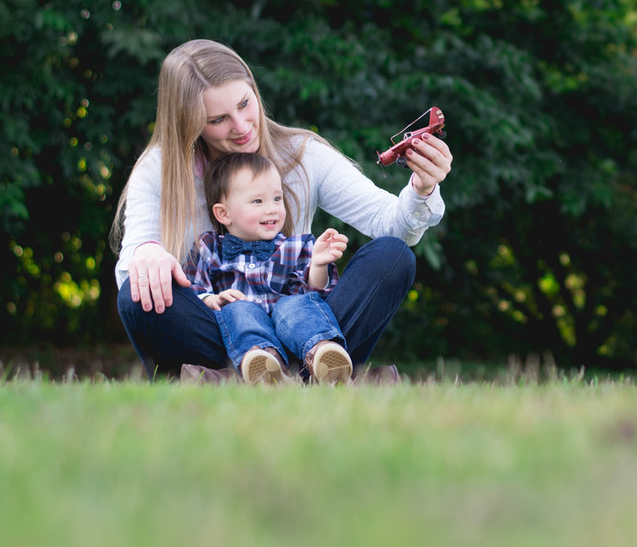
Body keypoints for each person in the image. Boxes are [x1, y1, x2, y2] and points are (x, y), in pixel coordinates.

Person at [111, 38, 451, 379]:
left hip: (303, 325)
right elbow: (130, 274)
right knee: (136, 295)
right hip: (219, 332)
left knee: (393, 255)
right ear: (190, 122)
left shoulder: (303, 155)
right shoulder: (159, 170)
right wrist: (147, 252)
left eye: (245, 104)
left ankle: (254, 377)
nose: (242, 127)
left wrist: (422, 188)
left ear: (254, 90)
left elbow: (389, 223)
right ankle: (293, 378)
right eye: (218, 119)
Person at [185, 151, 354, 386]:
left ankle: (323, 353)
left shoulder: (295, 247)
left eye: (277, 198)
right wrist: (211, 299)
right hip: (244, 332)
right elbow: (191, 289)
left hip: (294, 334)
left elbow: (314, 292)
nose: (272, 208)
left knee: (295, 305)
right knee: (238, 310)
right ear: (223, 213)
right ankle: (266, 365)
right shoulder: (209, 248)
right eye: (258, 201)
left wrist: (318, 264)